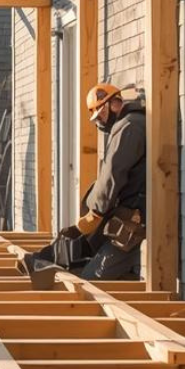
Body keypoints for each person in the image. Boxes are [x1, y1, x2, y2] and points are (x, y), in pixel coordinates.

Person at [59, 82, 147, 280]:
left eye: (100, 116)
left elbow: (112, 174)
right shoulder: (130, 124)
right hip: (131, 213)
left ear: (110, 104)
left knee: (93, 277)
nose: (100, 123)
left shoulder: (129, 127)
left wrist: (95, 212)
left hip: (134, 219)